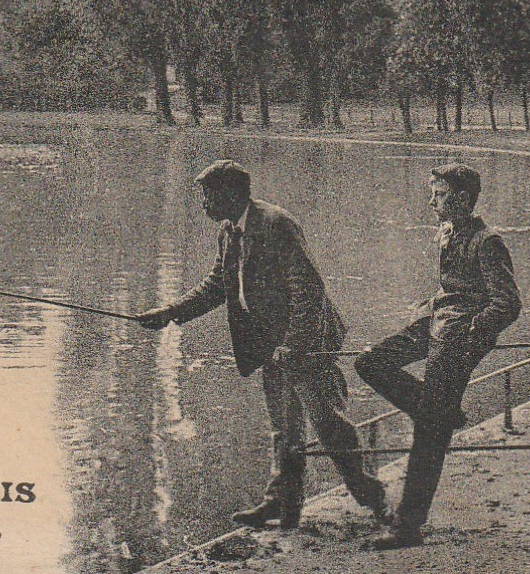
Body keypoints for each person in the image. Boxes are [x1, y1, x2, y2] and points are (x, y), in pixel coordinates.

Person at [136, 160, 386, 530]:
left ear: (232, 194)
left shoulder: (275, 224)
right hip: (272, 344)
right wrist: (171, 312)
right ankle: (281, 503)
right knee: (285, 427)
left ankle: (374, 498)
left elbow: (309, 289)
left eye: (208, 195)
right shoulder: (228, 231)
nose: (203, 203)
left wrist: (294, 343)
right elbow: (218, 285)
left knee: (326, 421)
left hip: (307, 340)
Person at [355, 162, 522, 549]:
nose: (431, 201)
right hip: (436, 325)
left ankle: (407, 525)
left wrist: (471, 332)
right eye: (432, 193)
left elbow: (507, 304)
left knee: (428, 432)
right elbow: (456, 289)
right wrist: (429, 306)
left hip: (456, 340)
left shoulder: (487, 241)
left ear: (462, 199)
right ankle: (442, 414)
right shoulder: (448, 232)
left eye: (439, 194)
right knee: (369, 363)